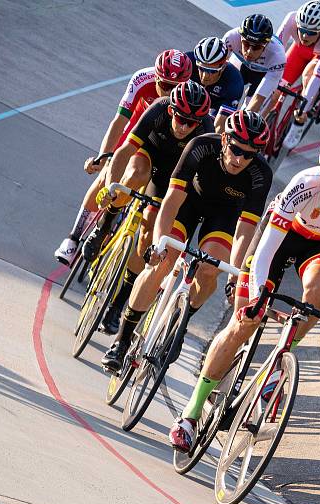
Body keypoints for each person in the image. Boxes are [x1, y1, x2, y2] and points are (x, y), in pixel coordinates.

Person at [169, 136, 320, 453]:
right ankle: (190, 414)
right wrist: (256, 297)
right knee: (243, 324)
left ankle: (280, 360)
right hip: (280, 237)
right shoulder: (304, 184)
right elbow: (266, 250)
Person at [100, 110, 273, 373]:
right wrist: (159, 243)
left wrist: (234, 276)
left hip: (224, 216)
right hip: (187, 203)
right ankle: (122, 340)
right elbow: (171, 200)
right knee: (163, 262)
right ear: (225, 138)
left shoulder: (260, 173)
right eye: (236, 149)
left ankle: (182, 320)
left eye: (249, 154)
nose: (239, 159)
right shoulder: (201, 146)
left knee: (210, 269)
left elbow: (244, 231)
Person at [86, 81, 213, 333]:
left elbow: (194, 185)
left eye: (192, 123)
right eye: (181, 119)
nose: (185, 126)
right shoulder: (158, 108)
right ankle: (105, 224)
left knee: (146, 238)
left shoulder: (205, 130)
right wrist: (111, 187)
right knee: (133, 177)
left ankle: (117, 304)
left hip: (173, 175)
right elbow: (124, 152)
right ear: (171, 111)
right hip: (148, 153)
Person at [54, 50, 192, 264]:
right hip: (138, 130)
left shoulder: (187, 97)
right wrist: (103, 157)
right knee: (106, 176)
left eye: (175, 87)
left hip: (165, 143)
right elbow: (119, 122)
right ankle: (73, 239)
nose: (169, 93)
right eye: (164, 85)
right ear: (155, 77)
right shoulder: (141, 79)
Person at [278, 0, 320, 150]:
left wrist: (303, 108)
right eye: (301, 30)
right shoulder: (291, 19)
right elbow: (276, 53)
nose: (304, 35)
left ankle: (302, 117)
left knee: (309, 74)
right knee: (277, 88)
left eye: (311, 32)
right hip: (301, 50)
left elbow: (317, 75)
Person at [223, 14, 287, 117]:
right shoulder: (231, 37)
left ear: (266, 45)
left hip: (263, 75)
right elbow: (216, 72)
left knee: (248, 114)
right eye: (246, 44)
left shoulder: (277, 56)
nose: (249, 51)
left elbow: (259, 98)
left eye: (256, 47)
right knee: (223, 92)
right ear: (241, 38)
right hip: (241, 64)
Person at [186, 37, 245, 131]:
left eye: (211, 71)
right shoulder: (187, 61)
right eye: (201, 68)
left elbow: (219, 126)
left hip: (215, 105)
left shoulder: (234, 81)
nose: (205, 76)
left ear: (223, 66)